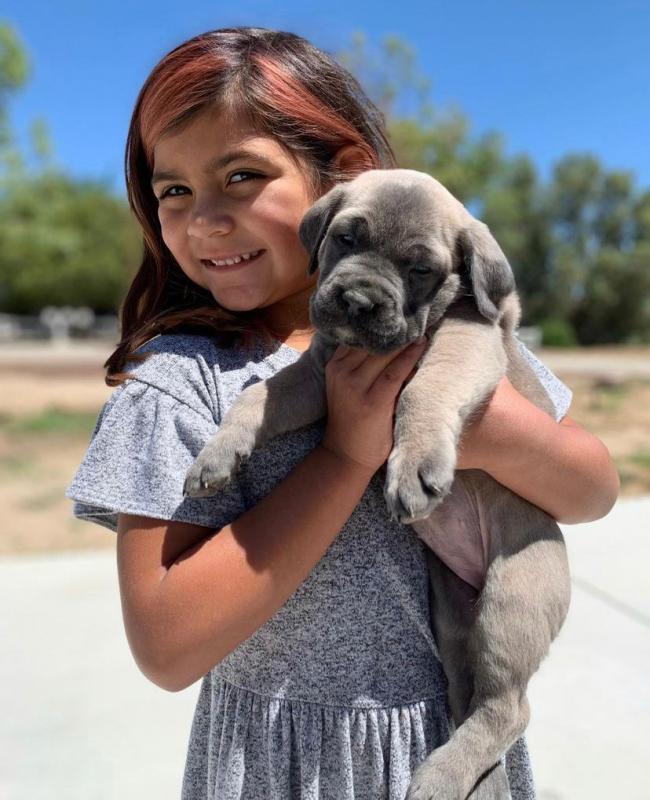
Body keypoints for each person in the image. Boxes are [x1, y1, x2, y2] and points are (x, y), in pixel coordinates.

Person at [66, 27, 620, 800]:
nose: (206, 220)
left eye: (241, 176)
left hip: (443, 737)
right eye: (174, 191)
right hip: (278, 760)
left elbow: (593, 491)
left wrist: (474, 423)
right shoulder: (181, 384)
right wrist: (345, 454)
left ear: (345, 178)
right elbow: (165, 646)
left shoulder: (459, 328)